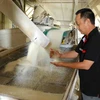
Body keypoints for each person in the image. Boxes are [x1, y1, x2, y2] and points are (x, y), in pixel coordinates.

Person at [50, 8, 100, 100]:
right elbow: (76, 53)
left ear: (87, 21)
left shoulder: (96, 40)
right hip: (86, 86)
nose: (77, 26)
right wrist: (60, 55)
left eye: (78, 23)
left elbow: (86, 65)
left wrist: (62, 64)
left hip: (93, 90)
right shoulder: (86, 38)